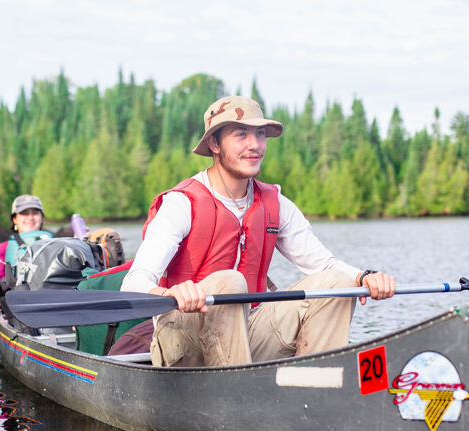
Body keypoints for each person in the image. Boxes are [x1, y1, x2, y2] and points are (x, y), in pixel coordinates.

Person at [121, 96, 396, 367]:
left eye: (260, 134)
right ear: (214, 143)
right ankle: (235, 398)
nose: (255, 145)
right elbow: (134, 282)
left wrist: (364, 277)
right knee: (230, 282)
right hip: (183, 337)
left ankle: (316, 389)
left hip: (247, 334)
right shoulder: (181, 203)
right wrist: (170, 294)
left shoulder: (275, 203)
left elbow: (322, 263)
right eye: (241, 134)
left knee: (337, 283)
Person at [0, 194, 53, 299]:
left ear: (41, 217)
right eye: (24, 213)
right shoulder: (3, 249)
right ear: (14, 219)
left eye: (35, 213)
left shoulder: (55, 244)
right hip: (16, 305)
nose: (30, 217)